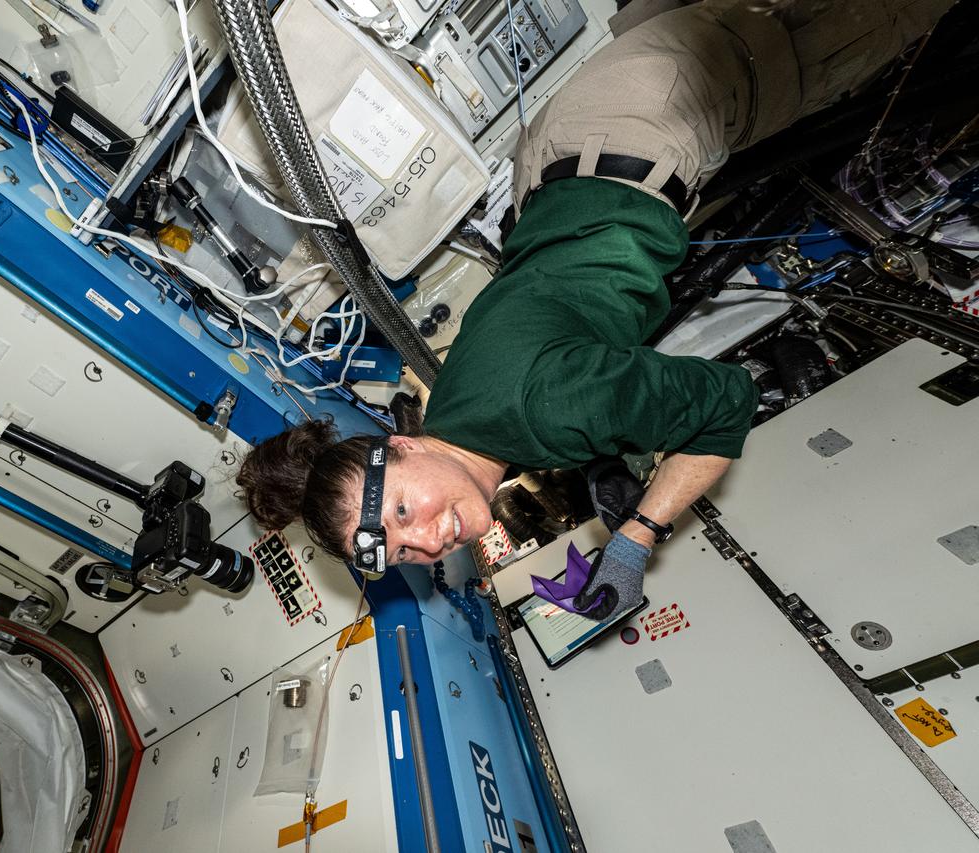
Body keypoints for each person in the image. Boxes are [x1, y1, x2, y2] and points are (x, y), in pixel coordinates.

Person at [238, 0, 955, 620]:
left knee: (877, 23)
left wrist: (638, 536)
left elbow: (726, 403)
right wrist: (600, 461)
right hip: (569, 144)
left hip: (659, 111)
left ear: (402, 449)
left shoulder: (542, 412)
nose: (428, 540)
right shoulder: (453, 416)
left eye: (402, 511)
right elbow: (545, 369)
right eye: (403, 552)